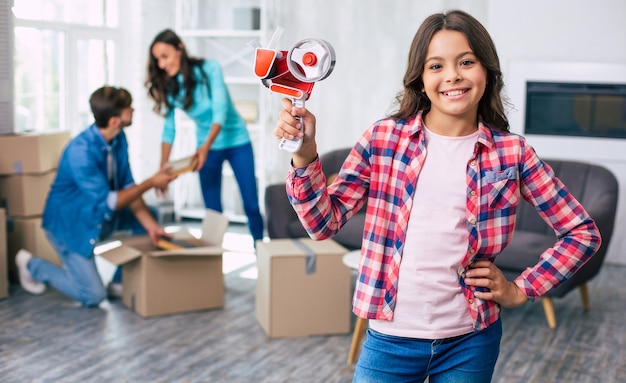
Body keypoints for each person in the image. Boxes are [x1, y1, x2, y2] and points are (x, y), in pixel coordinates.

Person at [274, 10, 601, 383]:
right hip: (389, 340)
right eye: (436, 65)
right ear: (420, 78)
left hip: (471, 340)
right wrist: (304, 154)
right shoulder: (384, 140)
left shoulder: (512, 153)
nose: (452, 76)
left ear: (487, 71)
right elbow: (321, 222)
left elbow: (582, 233)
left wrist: (520, 289)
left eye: (466, 62)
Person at [15, 86, 176, 307]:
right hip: (71, 227)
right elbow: (110, 202)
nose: (133, 110)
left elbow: (128, 186)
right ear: (114, 121)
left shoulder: (118, 140)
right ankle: (32, 265)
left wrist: (151, 227)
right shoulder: (81, 152)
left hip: (98, 217)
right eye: (128, 108)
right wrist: (151, 182)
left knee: (151, 215)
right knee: (93, 297)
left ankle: (118, 283)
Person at [145, 28, 264, 244]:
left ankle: (262, 255)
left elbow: (221, 110)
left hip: (237, 142)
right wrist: (162, 169)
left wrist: (205, 147)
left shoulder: (210, 69)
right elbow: (169, 128)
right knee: (213, 212)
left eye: (165, 56)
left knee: (251, 205)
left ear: (179, 48)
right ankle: (212, 265)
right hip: (206, 148)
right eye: (157, 60)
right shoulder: (170, 85)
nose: (161, 64)